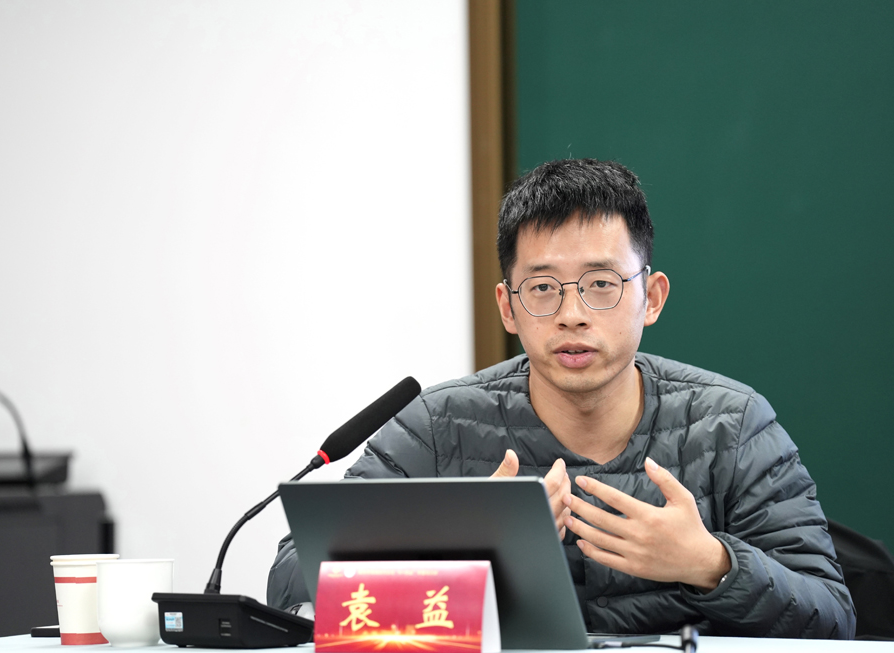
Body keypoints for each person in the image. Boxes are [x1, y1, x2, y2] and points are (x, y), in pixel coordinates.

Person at [266, 159, 855, 638]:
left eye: (601, 284)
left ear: (651, 298)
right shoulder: (437, 428)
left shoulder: (732, 425)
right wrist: (456, 551)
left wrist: (710, 564)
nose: (572, 314)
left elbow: (833, 617)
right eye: (543, 288)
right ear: (508, 308)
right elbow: (290, 580)